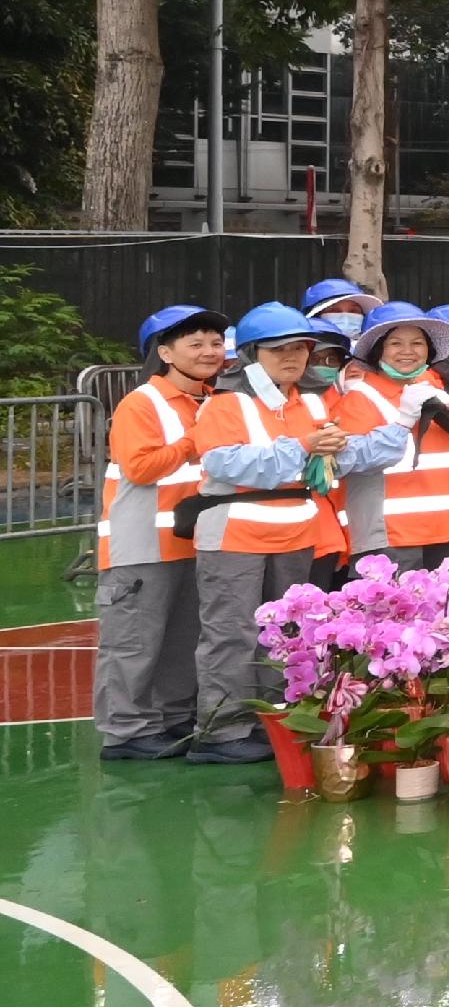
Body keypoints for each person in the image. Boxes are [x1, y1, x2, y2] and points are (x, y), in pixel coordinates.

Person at [181, 305, 366, 760]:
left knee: (285, 633)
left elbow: (330, 458)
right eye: (279, 348)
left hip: (294, 532)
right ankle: (222, 732)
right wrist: (304, 447)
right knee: (232, 634)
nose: (293, 356)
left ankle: (272, 721)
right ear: (250, 354)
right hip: (236, 534)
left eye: (301, 347)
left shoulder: (310, 402)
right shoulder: (228, 402)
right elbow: (226, 463)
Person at [98, 305, 231, 760]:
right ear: (165, 352)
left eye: (215, 342)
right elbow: (140, 466)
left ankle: (173, 718)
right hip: (140, 547)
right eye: (195, 344)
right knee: (133, 642)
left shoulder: (215, 400)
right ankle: (126, 730)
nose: (209, 352)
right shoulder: (143, 403)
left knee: (182, 639)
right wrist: (199, 436)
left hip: (196, 542)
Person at [327, 304, 449, 571]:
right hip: (387, 537)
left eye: (417, 343)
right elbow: (344, 461)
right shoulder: (360, 399)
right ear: (377, 350)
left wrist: (448, 416)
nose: (408, 351)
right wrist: (403, 422)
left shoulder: (436, 394)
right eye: (396, 343)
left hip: (443, 531)